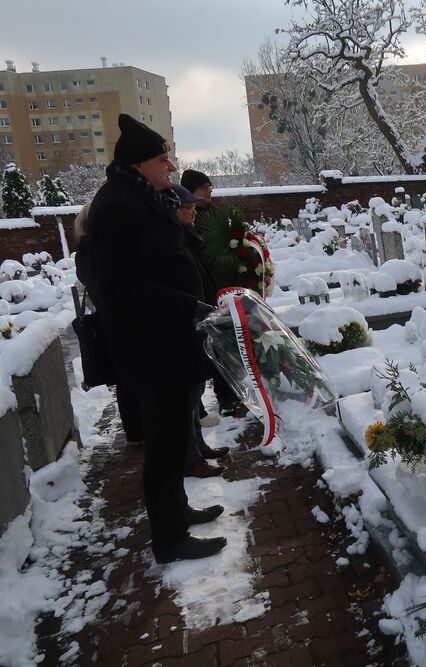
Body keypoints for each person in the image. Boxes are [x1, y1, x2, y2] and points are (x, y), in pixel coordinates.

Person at [86, 114, 227, 563]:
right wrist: (187, 304)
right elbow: (121, 286)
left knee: (172, 438)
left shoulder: (141, 195)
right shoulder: (116, 206)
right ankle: (169, 538)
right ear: (138, 163)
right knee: (163, 445)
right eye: (162, 159)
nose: (170, 166)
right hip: (152, 347)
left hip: (170, 341)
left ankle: (178, 512)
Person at [170, 184, 230, 478]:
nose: (194, 211)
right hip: (184, 324)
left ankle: (198, 447)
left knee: (194, 394)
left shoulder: (185, 236)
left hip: (198, 318)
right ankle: (190, 457)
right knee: (187, 396)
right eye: (187, 207)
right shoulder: (170, 240)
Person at [73, 203, 144, 448]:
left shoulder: (88, 251)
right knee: (129, 377)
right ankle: (138, 432)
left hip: (114, 319)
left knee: (127, 378)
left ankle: (138, 431)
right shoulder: (93, 252)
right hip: (120, 320)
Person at [180, 169, 244, 419]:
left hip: (222, 288)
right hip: (203, 293)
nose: (209, 190)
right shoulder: (188, 223)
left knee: (227, 342)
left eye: (210, 185)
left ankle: (230, 392)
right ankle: (218, 399)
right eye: (204, 186)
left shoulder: (216, 214)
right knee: (211, 345)